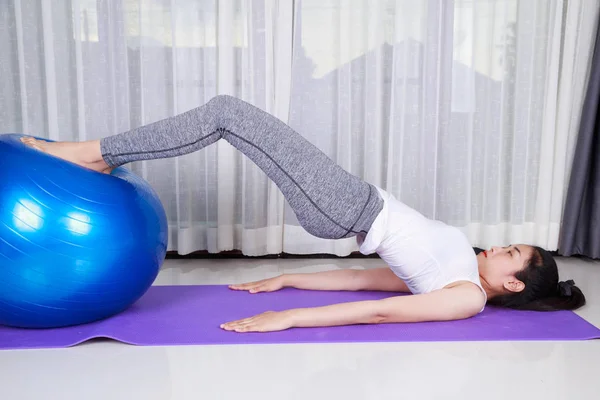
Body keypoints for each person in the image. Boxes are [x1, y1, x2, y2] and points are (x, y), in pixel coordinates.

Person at [21, 95, 586, 333]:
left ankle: (93, 152)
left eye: (508, 253)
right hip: (348, 201)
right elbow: (371, 279)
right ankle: (95, 152)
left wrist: (289, 319)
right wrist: (289, 277)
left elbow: (383, 313)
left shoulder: (466, 295)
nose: (497, 247)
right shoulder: (459, 267)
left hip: (347, 204)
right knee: (227, 116)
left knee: (226, 112)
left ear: (512, 281)